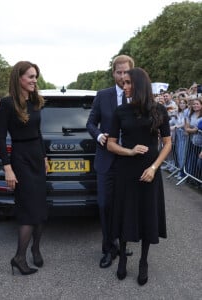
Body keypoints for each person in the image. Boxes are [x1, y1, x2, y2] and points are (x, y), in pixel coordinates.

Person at [107, 67, 172, 286]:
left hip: (149, 171)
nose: (123, 86)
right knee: (125, 213)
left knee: (147, 214)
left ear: (139, 84)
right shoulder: (121, 112)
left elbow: (167, 143)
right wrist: (130, 151)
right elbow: (111, 143)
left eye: (127, 82)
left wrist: (154, 168)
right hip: (126, 170)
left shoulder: (159, 110)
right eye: (122, 82)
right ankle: (123, 258)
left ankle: (144, 261)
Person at [0, 61, 48, 276]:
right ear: (19, 78)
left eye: (35, 76)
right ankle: (19, 256)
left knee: (40, 208)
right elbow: (0, 138)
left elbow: (38, 132)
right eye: (30, 76)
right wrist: (8, 168)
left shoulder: (36, 101)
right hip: (20, 159)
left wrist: (44, 157)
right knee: (28, 210)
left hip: (37, 158)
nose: (34, 80)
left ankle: (35, 248)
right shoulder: (8, 104)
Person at [86, 55, 134, 269]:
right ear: (113, 72)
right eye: (119, 72)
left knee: (125, 205)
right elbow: (90, 123)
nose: (123, 76)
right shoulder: (103, 95)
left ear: (131, 72)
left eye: (126, 72)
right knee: (105, 205)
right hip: (106, 160)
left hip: (130, 161)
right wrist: (98, 136)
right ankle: (108, 248)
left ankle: (122, 244)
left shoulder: (138, 95)